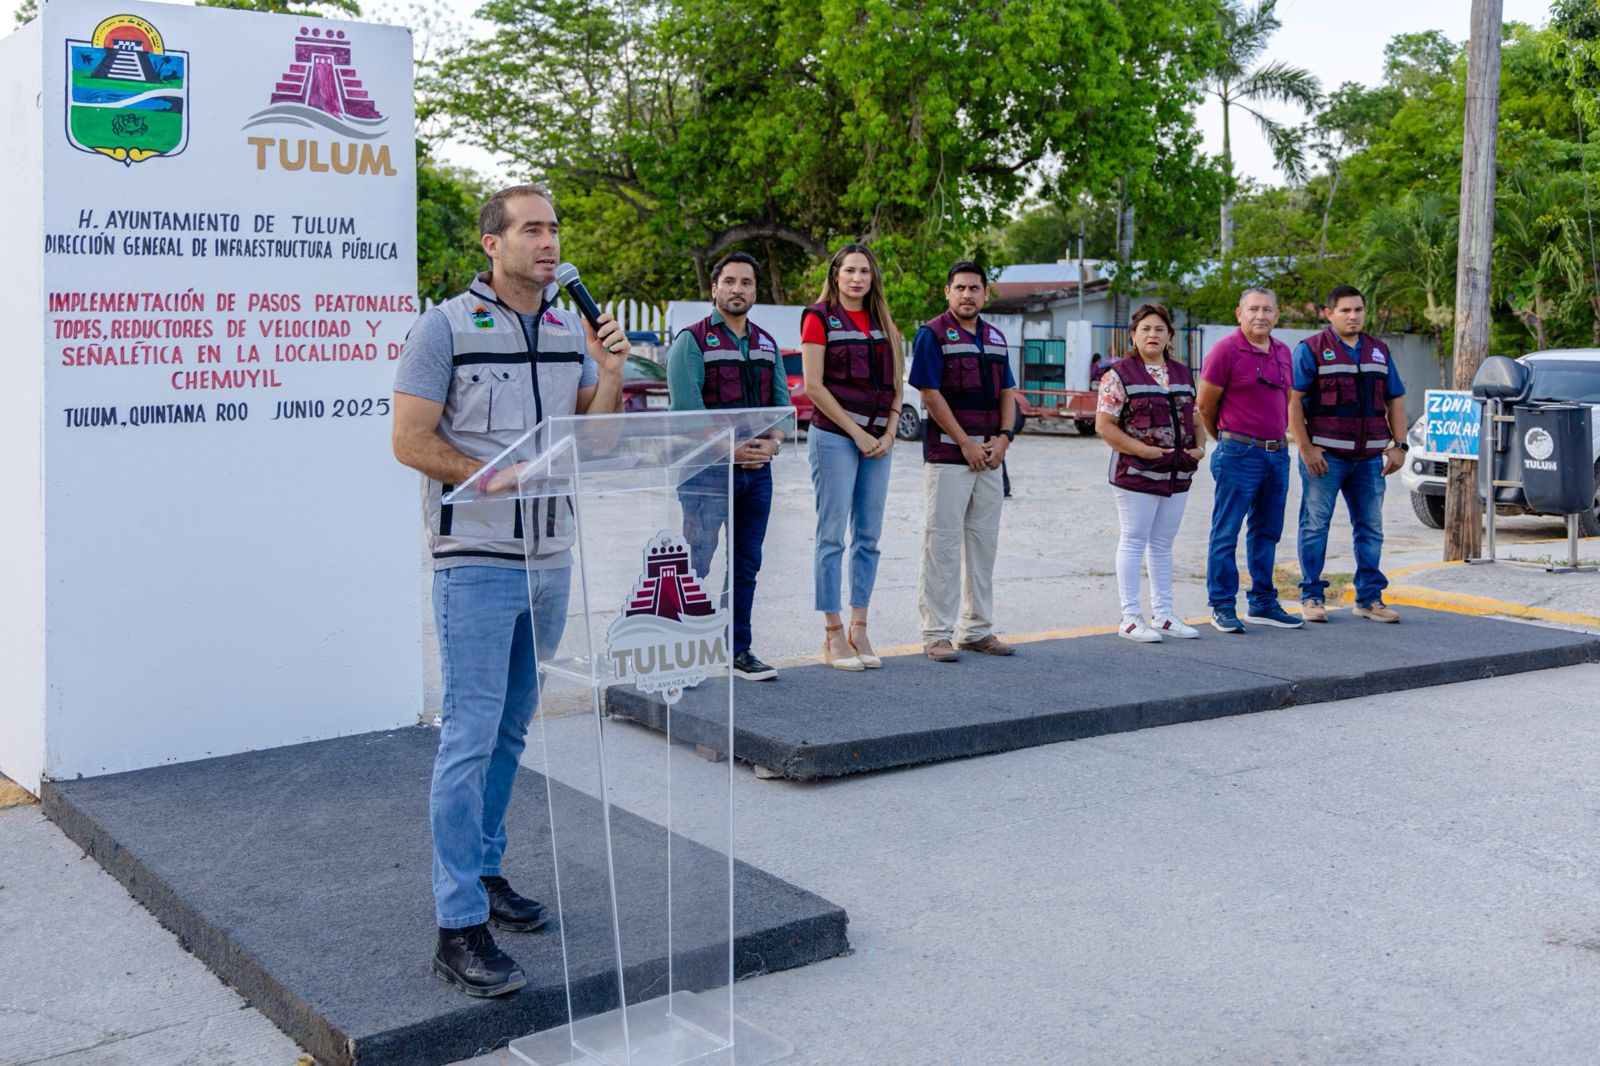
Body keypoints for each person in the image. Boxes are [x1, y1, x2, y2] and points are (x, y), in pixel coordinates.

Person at [391, 184, 629, 998]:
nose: (549, 242)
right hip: (477, 562)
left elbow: (595, 442)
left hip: (553, 560)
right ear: (492, 244)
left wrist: (609, 370)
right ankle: (457, 925)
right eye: (532, 229)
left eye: (555, 228)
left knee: (510, 733)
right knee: (467, 735)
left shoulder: (569, 327)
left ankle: (486, 872)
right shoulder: (445, 327)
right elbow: (409, 440)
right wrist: (497, 477)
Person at [666, 251, 788, 679]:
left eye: (747, 282)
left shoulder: (766, 343)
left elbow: (780, 411)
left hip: (757, 475)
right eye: (730, 281)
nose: (738, 289)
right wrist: (730, 451)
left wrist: (770, 447)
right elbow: (687, 412)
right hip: (706, 472)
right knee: (696, 561)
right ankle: (680, 654)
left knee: (746, 564)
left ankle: (737, 649)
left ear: (756, 290)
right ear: (714, 287)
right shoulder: (693, 340)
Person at [801, 243, 904, 670]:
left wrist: (890, 430)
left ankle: (859, 628)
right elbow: (813, 387)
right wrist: (857, 434)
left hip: (879, 442)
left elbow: (898, 381)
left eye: (864, 271)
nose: (857, 278)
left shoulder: (884, 320)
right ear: (836, 275)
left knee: (869, 539)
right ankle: (831, 631)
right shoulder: (818, 318)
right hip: (836, 438)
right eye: (850, 271)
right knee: (831, 538)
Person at [910, 261, 1018, 662]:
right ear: (947, 292)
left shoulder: (995, 337)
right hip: (948, 457)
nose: (967, 294)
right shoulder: (932, 334)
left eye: (974, 288)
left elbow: (1007, 390)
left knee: (983, 545)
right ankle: (936, 633)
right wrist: (965, 443)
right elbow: (929, 394)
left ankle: (976, 630)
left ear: (985, 294)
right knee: (941, 545)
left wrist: (1004, 440)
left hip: (991, 458)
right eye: (960, 288)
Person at [1288, 284, 1409, 623]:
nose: (1353, 316)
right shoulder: (1310, 350)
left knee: (1370, 528)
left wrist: (1399, 446)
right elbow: (1293, 402)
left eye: (1358, 310)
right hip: (1325, 458)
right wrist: (1306, 448)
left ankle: (1369, 599)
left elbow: (1395, 400)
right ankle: (1312, 596)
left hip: (1369, 459)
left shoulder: (1379, 351)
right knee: (1314, 526)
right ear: (1329, 314)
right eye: (1345, 310)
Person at [1095, 304, 1204, 642]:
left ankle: (1164, 614)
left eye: (1159, 329)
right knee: (1134, 539)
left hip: (1177, 473)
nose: (1152, 335)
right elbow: (1104, 425)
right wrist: (1141, 450)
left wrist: (1201, 448)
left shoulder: (1184, 374)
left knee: (1162, 542)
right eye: (1145, 329)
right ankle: (1130, 617)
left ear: (1170, 336)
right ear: (1133, 335)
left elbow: (1196, 418)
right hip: (1136, 473)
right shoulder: (1118, 375)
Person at [1197, 287, 1302, 633]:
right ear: (1238, 314)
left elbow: (1286, 401)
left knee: (1267, 531)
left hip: (1277, 454)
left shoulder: (1283, 352)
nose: (1261, 316)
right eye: (1253, 309)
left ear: (1277, 314)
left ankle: (1262, 603)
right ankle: (1222, 605)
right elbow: (1205, 407)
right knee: (1226, 532)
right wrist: (1228, 440)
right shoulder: (1225, 351)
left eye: (1267, 309)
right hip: (1238, 452)